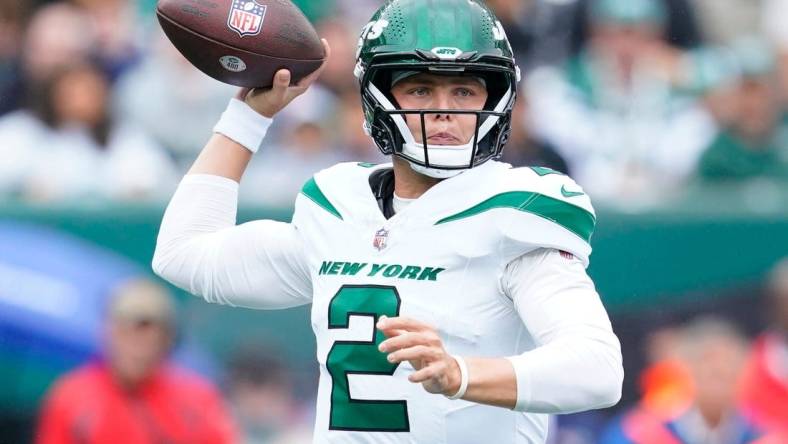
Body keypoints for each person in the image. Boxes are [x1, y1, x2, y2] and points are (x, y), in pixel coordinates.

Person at [153, 1, 624, 442]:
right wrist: (248, 115)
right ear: (377, 96)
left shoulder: (513, 214)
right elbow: (185, 254)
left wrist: (460, 373)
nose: (444, 109)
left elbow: (598, 369)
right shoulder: (337, 206)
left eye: (464, 89)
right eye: (421, 87)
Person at [36, 279, 236, 444]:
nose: (137, 346)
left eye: (148, 335)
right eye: (126, 331)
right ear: (108, 332)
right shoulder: (71, 396)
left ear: (167, 340)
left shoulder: (198, 399)